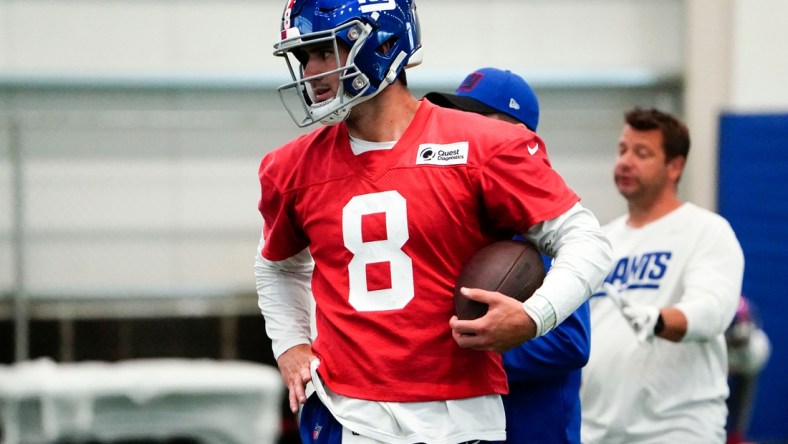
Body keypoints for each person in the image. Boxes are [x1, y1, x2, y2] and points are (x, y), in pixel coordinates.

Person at [254, 1, 612, 442]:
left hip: (459, 418)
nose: (311, 71)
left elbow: (586, 239)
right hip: (345, 415)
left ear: (383, 43)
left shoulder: (483, 145)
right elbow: (276, 263)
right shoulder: (291, 167)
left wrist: (533, 316)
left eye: (325, 52)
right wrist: (290, 343)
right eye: (304, 57)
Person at [424, 68, 590, 444]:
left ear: (520, 135)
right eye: (458, 118)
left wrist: (470, 352)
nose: (463, 129)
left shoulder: (543, 219)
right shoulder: (461, 216)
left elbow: (571, 343)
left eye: (478, 119)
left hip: (535, 431)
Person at [580, 107, 745, 443]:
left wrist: (658, 319)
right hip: (596, 431)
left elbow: (712, 310)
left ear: (675, 166)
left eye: (642, 153)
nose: (626, 161)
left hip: (676, 430)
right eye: (623, 150)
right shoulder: (601, 243)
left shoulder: (706, 230)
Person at [725, 295, 771, 444]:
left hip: (743, 354)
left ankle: (735, 437)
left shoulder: (755, 349)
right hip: (716, 350)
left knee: (742, 397)